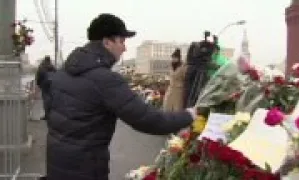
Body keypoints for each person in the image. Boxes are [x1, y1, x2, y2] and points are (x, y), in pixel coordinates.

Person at [46, 13, 196, 180]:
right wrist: (189, 115)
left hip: (57, 164)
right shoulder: (105, 80)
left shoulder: (61, 74)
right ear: (107, 42)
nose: (124, 48)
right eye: (122, 41)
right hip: (86, 170)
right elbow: (148, 119)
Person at [35, 55, 56, 120]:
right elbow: (57, 75)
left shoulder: (41, 67)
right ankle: (51, 114)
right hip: (52, 85)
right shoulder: (52, 67)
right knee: (51, 99)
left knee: (45, 100)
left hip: (44, 85)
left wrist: (38, 84)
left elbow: (38, 76)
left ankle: (47, 115)